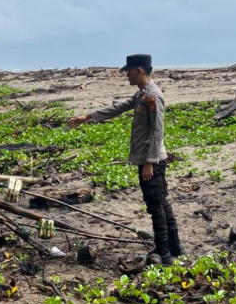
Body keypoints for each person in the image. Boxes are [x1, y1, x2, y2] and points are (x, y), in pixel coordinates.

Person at [68, 54, 184, 265]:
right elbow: (119, 107)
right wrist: (89, 116)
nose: (126, 75)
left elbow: (158, 132)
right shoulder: (142, 94)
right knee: (161, 203)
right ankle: (174, 248)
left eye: (128, 71)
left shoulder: (153, 96)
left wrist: (149, 162)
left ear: (139, 70)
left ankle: (165, 254)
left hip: (153, 162)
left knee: (155, 207)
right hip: (150, 159)